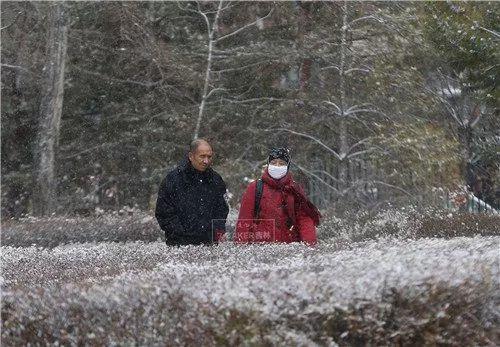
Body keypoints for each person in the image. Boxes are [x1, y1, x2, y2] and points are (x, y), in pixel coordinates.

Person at [235, 147, 321, 246]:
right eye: (274, 162)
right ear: (268, 164)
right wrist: (240, 247)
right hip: (259, 249)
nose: (277, 166)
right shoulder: (255, 187)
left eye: (281, 163)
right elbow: (244, 220)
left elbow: (304, 220)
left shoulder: (295, 189)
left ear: (288, 166)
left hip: (289, 250)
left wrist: (310, 247)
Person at [155, 139, 229, 246]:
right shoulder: (173, 179)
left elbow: (222, 209)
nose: (206, 161)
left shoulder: (216, 180)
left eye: (209, 156)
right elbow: (164, 212)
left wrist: (215, 231)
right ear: (191, 156)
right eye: (202, 156)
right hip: (179, 245)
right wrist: (179, 233)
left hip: (209, 244)